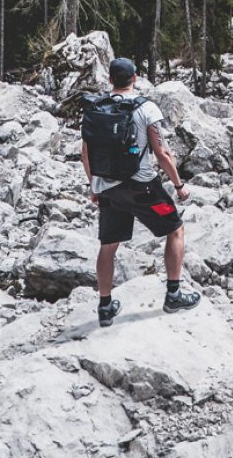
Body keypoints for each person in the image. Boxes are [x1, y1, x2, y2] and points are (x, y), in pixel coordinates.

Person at [81, 56, 201, 327]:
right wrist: (179, 187)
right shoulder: (146, 108)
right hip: (143, 190)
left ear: (110, 79)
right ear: (134, 78)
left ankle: (105, 306)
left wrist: (95, 188)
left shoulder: (95, 109)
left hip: (109, 190)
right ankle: (173, 294)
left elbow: (85, 156)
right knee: (175, 229)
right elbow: (162, 152)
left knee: (108, 245)